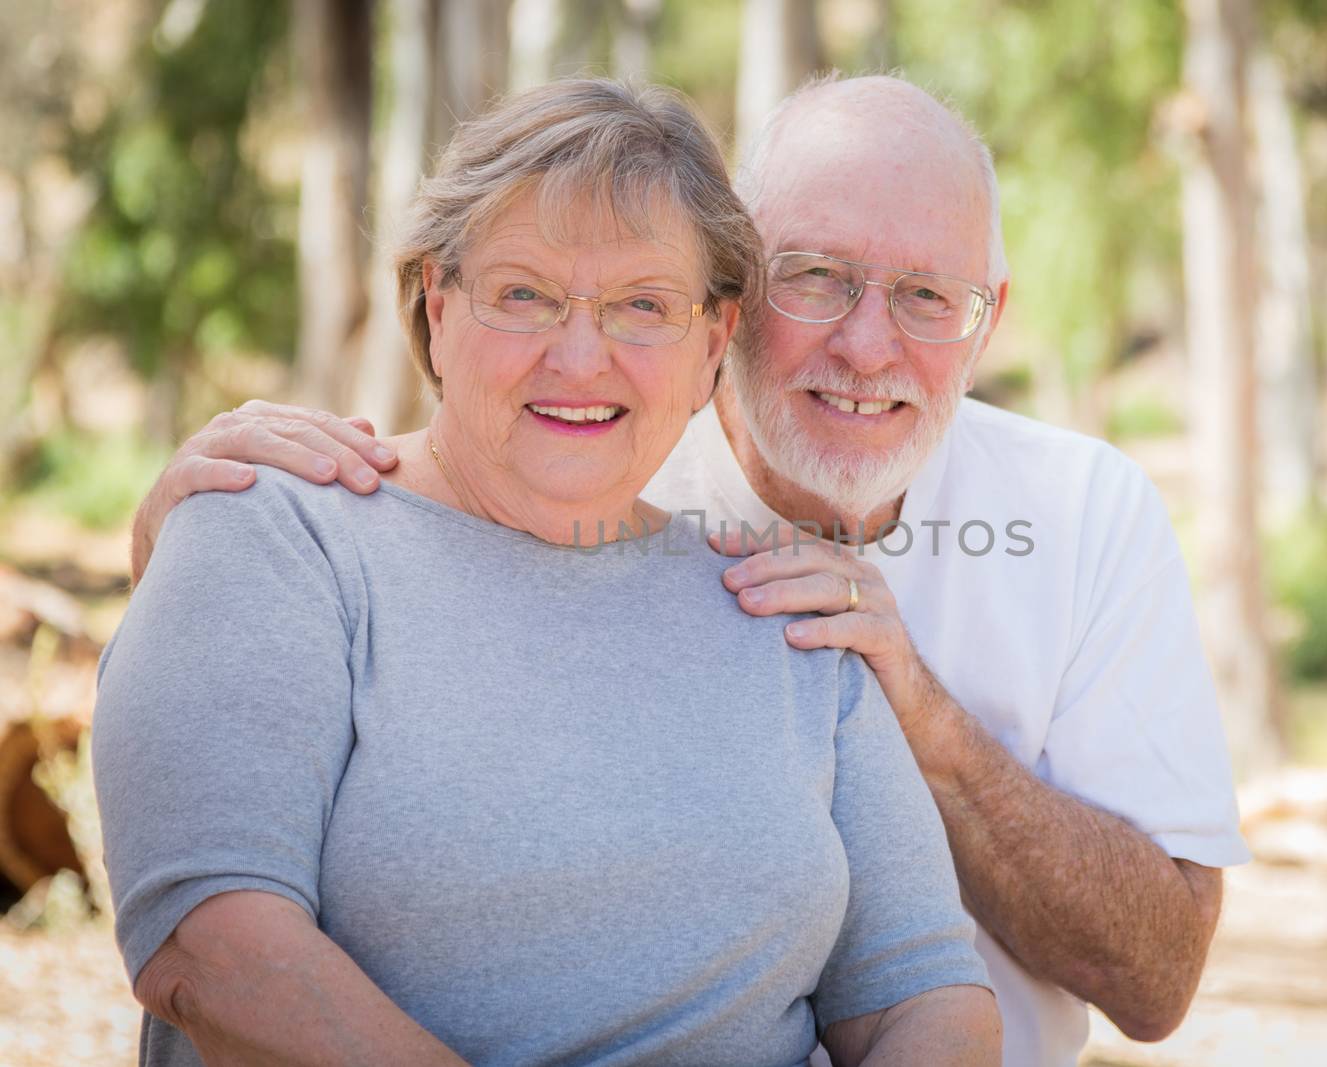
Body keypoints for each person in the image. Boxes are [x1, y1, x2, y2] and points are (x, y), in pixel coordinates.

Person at [129, 74, 1251, 1066]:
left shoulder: (832, 588)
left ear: (704, 329)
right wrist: (178, 547)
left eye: (923, 296)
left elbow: (952, 994)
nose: (584, 355)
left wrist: (921, 705)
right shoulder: (296, 526)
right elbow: (208, 935)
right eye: (815, 276)